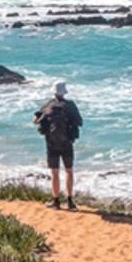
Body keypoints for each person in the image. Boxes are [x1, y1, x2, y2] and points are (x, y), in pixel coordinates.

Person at [33, 81, 82, 210]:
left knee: (54, 173)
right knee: (69, 171)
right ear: (64, 92)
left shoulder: (49, 105)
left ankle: (55, 201)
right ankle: (70, 202)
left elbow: (35, 121)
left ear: (54, 92)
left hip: (51, 144)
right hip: (67, 144)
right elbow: (79, 122)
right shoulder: (70, 105)